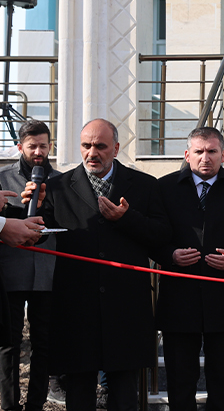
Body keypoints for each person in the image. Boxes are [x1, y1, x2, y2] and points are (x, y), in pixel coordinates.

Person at [22, 118, 170, 411]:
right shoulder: (56, 187)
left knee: (124, 393)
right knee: (79, 391)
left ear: (115, 148)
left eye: (100, 146)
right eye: (86, 146)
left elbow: (162, 234)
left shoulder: (144, 185)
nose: (92, 153)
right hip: (76, 308)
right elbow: (39, 233)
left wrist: (126, 219)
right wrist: (31, 212)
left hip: (126, 306)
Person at [153, 127, 224, 411]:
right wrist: (171, 255)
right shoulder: (163, 187)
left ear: (223, 155)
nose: (205, 158)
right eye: (198, 151)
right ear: (187, 155)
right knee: (180, 379)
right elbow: (153, 237)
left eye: (212, 151)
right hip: (178, 300)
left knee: (221, 381)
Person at [0, 121, 60, 411]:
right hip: (10, 272)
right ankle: (10, 405)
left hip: (47, 274)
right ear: (21, 146)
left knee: (43, 342)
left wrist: (48, 206)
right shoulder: (2, 178)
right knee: (9, 343)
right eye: (32, 145)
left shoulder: (61, 180)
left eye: (44, 145)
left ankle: (36, 403)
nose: (39, 151)